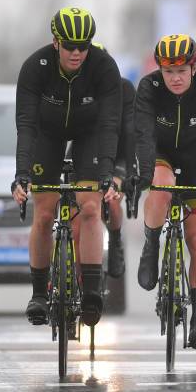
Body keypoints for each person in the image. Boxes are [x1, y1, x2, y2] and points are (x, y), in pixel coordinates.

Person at [11, 7, 122, 327]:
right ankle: (39, 295)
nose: (77, 52)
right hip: (47, 134)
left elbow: (110, 125)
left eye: (83, 46)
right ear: (55, 42)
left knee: (89, 207)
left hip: (90, 135)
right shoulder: (35, 67)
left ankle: (90, 292)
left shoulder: (103, 67)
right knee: (44, 213)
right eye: (70, 45)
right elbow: (26, 125)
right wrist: (22, 173)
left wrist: (106, 174)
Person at [132, 34, 196, 349]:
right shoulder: (149, 88)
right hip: (161, 156)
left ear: (194, 68)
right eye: (168, 71)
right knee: (162, 184)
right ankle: (151, 244)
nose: (175, 78)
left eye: (181, 71)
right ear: (160, 69)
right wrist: (145, 175)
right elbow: (143, 135)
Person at [67, 42, 137, 279]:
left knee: (113, 200)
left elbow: (129, 131)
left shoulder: (124, 89)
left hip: (117, 152)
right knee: (76, 224)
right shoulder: (74, 87)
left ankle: (116, 240)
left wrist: (124, 171)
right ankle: (75, 282)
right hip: (84, 153)